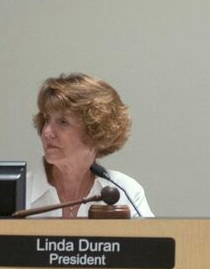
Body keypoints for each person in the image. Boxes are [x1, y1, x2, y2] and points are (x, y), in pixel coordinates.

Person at [27, 73, 153, 218]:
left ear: (94, 131)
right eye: (47, 119)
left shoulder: (125, 191)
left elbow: (155, 240)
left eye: (63, 122)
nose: (47, 132)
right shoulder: (19, 192)